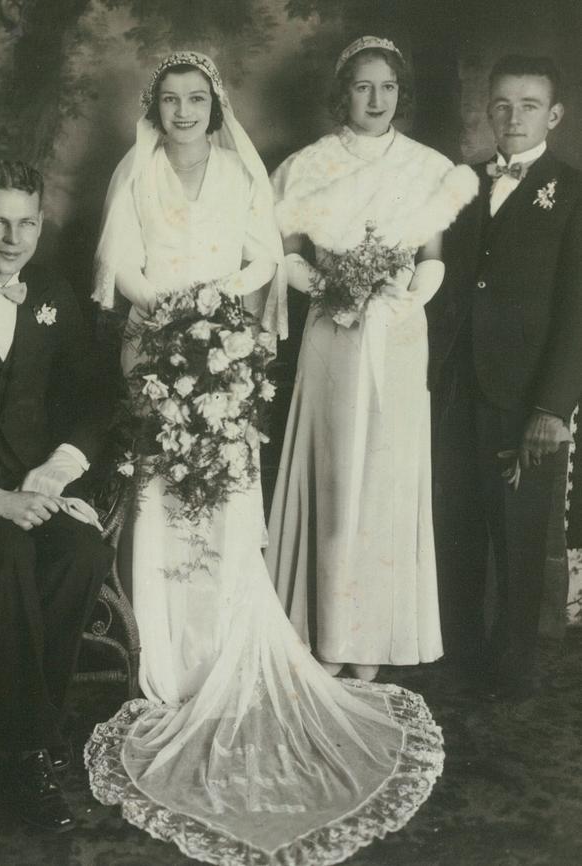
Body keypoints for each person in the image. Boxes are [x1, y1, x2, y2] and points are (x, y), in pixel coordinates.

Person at [85, 51, 445, 866]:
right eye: (170, 100)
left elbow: (259, 257)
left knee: (225, 498)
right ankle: (170, 663)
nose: (183, 113)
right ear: (155, 107)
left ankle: (226, 651)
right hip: (157, 341)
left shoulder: (242, 174)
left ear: (216, 108)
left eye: (197, 100)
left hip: (224, 342)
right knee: (161, 498)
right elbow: (119, 263)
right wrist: (170, 307)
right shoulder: (133, 171)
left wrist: (213, 307)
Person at [264, 36, 478, 682]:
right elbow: (288, 254)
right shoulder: (308, 165)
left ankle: (372, 643)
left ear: (401, 94)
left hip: (397, 334)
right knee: (334, 479)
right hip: (332, 332)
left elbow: (432, 259)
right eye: (363, 86)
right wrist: (330, 287)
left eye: (387, 86)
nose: (376, 99)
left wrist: (400, 295)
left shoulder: (427, 168)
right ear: (344, 93)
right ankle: (325, 632)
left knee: (384, 484)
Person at [0, 159, 113, 830]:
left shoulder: (53, 293)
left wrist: (57, 470)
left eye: (28, 222)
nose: (13, 238)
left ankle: (17, 724)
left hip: (29, 482)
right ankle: (28, 748)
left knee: (82, 551)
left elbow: (95, 396)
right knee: (7, 549)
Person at [429, 55, 582, 700]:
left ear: (553, 115)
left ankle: (513, 669)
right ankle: (457, 657)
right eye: (501, 105)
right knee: (454, 526)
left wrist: (552, 407)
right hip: (456, 388)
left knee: (519, 537)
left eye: (527, 105)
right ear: (485, 111)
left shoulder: (572, 192)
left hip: (524, 398)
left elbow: (578, 309)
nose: (512, 117)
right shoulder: (459, 184)